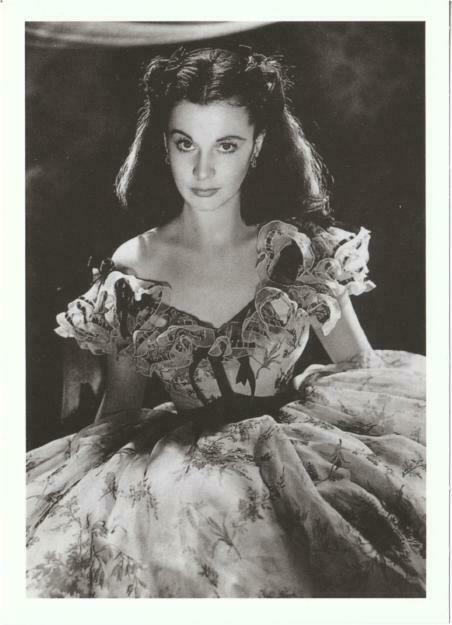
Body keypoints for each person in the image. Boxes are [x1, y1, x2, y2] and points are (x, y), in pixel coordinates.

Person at [26, 45, 426, 598]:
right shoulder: (133, 266)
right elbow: (120, 409)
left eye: (226, 145)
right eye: (185, 143)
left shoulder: (299, 251)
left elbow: (361, 368)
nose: (202, 170)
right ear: (164, 145)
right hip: (177, 483)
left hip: (297, 463)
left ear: (257, 146)